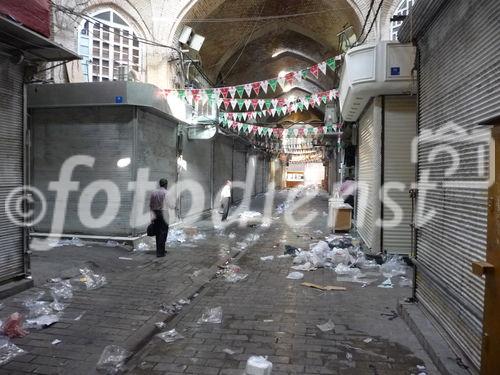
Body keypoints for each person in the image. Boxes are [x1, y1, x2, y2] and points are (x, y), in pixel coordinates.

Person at [149, 178, 174, 257]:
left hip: (155, 213)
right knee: (163, 232)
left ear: (160, 184)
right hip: (164, 213)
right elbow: (170, 205)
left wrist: (152, 217)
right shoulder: (167, 193)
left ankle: (160, 250)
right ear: (166, 184)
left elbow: (151, 205)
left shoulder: (154, 193)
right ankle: (160, 252)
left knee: (157, 232)